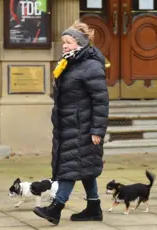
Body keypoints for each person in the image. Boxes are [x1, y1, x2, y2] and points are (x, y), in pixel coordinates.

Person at [33, 20, 109, 225]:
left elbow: (101, 101)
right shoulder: (69, 62)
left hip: (82, 126)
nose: (64, 46)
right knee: (84, 165)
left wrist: (97, 130)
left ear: (81, 43)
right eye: (63, 42)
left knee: (70, 167)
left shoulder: (91, 66)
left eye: (69, 42)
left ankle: (55, 208)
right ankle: (93, 207)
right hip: (69, 124)